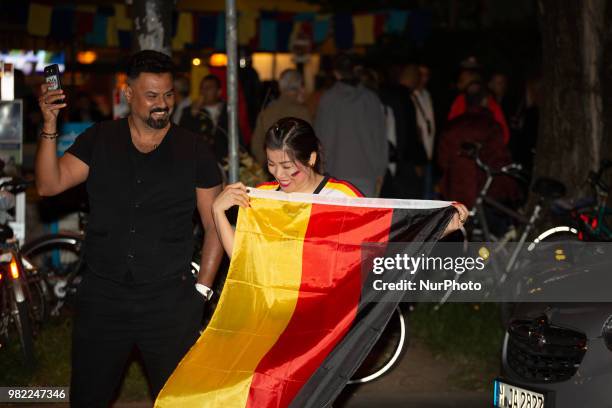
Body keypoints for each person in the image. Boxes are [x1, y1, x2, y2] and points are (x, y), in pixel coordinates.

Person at [34, 50, 224, 407]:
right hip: (103, 299)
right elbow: (49, 184)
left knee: (179, 401)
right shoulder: (99, 139)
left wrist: (201, 292)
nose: (162, 104)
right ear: (128, 94)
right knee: (88, 398)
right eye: (152, 96)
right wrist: (49, 125)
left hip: (170, 301)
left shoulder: (194, 149)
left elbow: (216, 223)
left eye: (168, 95)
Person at [212, 117, 468, 256]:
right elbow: (242, 258)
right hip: (273, 322)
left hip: (325, 327)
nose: (279, 174)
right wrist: (218, 213)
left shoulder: (339, 197)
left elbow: (384, 242)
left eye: (288, 166)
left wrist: (439, 226)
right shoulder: (265, 197)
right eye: (271, 164)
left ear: (311, 158)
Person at [315, 53, 388, 197]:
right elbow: (380, 139)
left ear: (336, 73)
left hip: (334, 175)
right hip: (367, 174)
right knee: (364, 219)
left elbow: (319, 140)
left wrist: (320, 170)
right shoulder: (371, 99)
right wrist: (380, 172)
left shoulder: (327, 100)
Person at [251, 69, 312, 166]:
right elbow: (309, 143)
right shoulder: (302, 112)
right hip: (295, 169)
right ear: (300, 88)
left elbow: (256, 146)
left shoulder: (266, 112)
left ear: (280, 87)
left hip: (271, 168)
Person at [179, 74, 231, 163]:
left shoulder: (228, 111)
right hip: (200, 161)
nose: (204, 91)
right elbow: (182, 136)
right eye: (202, 88)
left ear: (219, 92)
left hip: (224, 161)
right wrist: (192, 114)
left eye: (209, 88)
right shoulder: (189, 111)